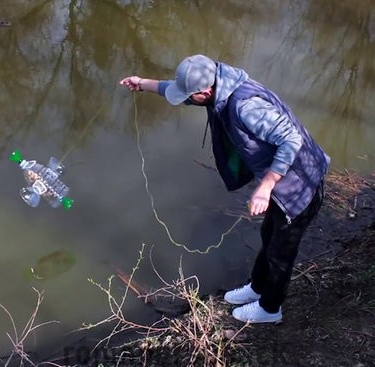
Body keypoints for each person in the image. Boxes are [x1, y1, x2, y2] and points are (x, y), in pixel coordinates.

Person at [119, 54, 330, 324]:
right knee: (269, 236)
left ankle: (270, 309)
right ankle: (257, 286)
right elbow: (176, 90)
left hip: (300, 184)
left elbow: (292, 139)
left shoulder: (245, 106)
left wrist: (265, 187)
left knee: (280, 252)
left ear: (206, 92)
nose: (185, 99)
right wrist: (142, 83)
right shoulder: (220, 86)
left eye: (190, 96)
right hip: (284, 181)